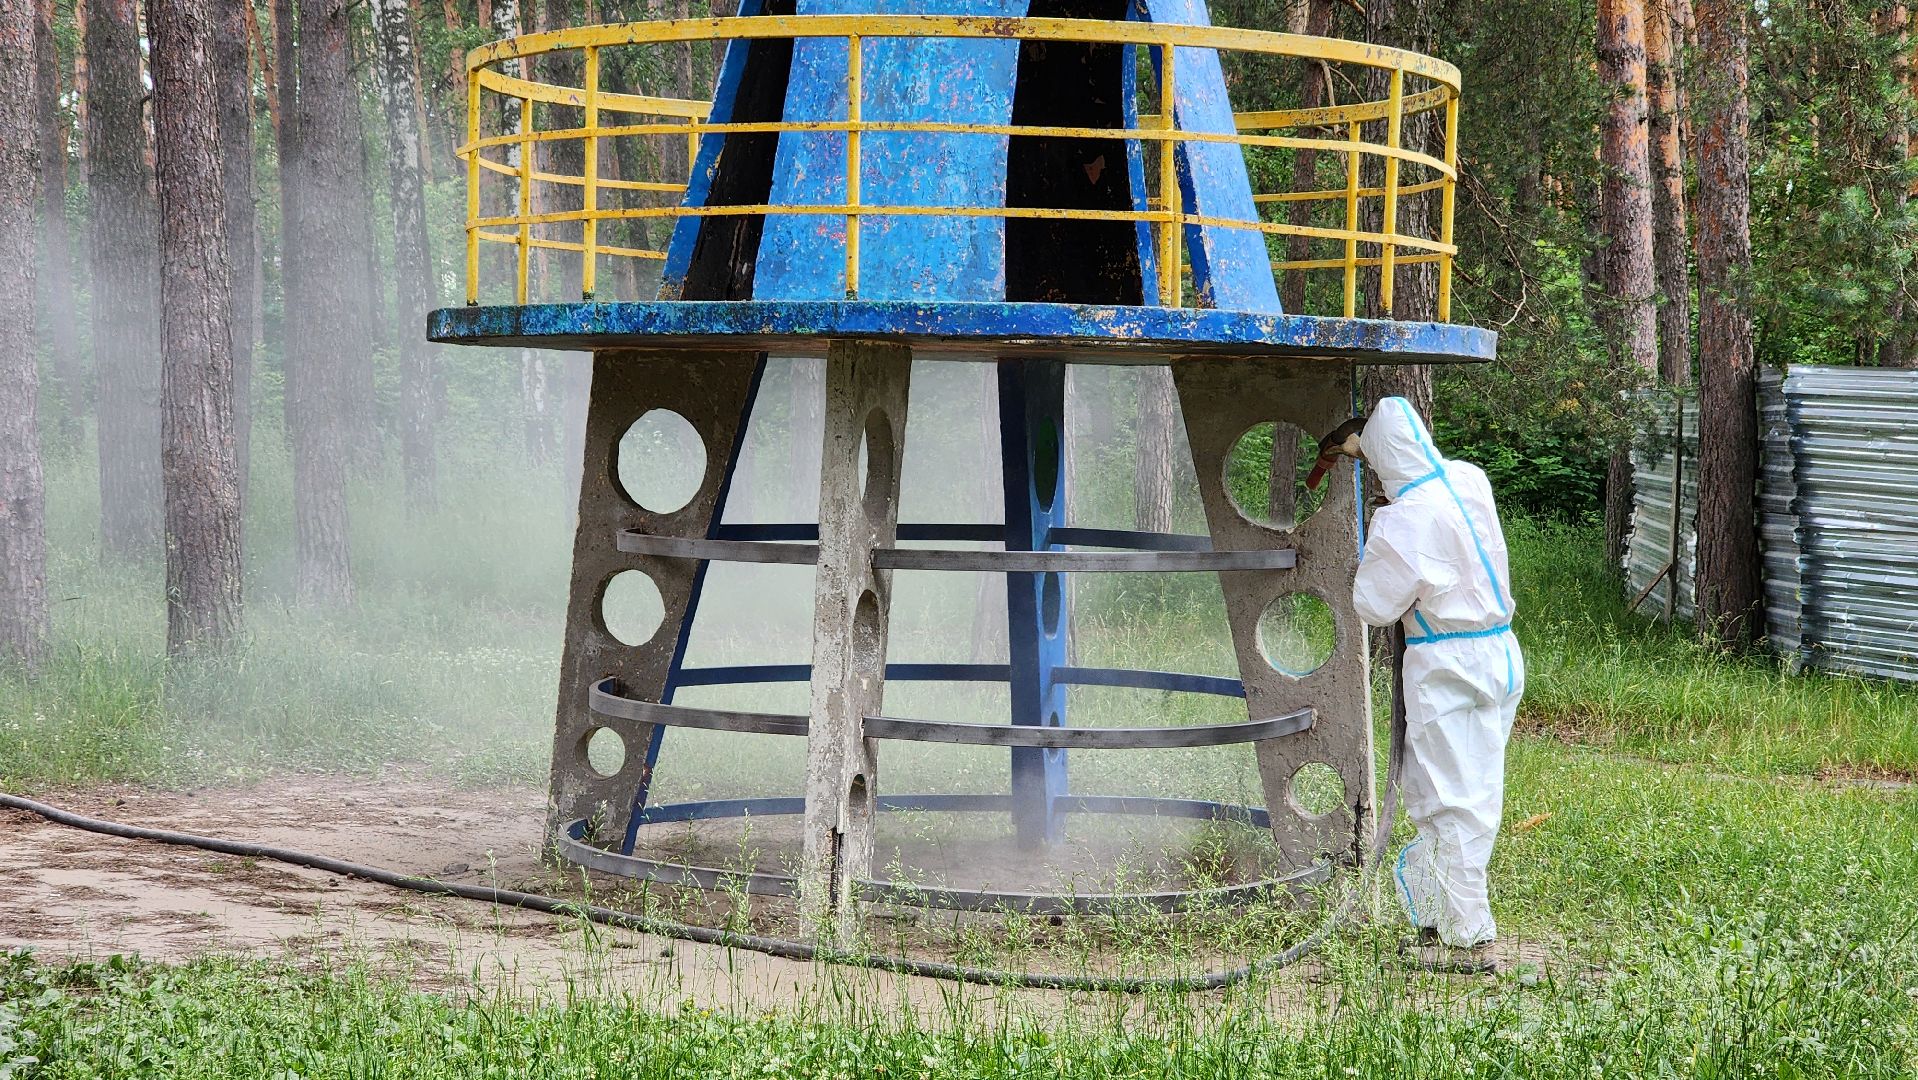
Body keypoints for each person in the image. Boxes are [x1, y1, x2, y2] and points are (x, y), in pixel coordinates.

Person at [1340, 397, 1525, 974]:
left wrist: (1378, 531)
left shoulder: (1404, 519)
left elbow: (1372, 604)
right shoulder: (1469, 481)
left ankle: (1465, 940)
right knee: (1447, 790)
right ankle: (1438, 922)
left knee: (1453, 801)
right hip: (1498, 652)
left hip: (1447, 662)